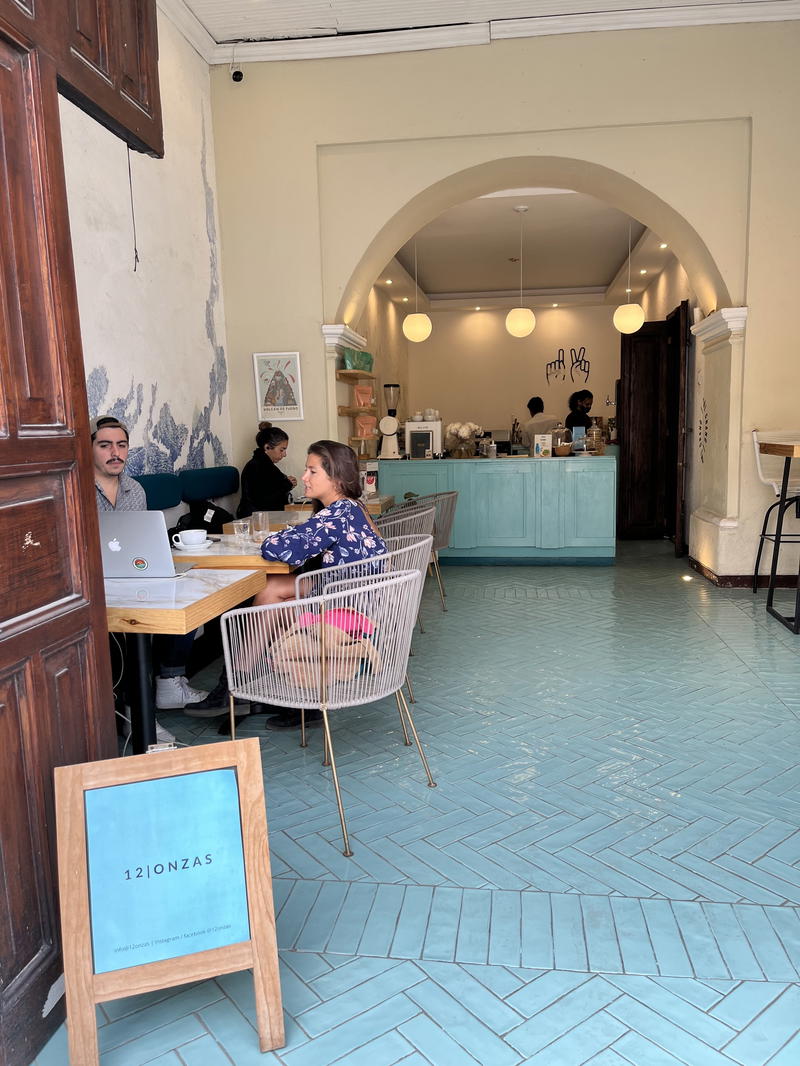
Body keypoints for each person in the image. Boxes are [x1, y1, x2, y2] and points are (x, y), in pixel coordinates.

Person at [220, 441, 387, 733]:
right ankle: (255, 688)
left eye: (312, 470)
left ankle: (238, 684)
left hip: (350, 616)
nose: (305, 477)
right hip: (360, 601)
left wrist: (277, 537)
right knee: (273, 590)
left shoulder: (338, 513)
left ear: (336, 478)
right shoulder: (351, 508)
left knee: (271, 596)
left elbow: (280, 549)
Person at [91, 415, 208, 717]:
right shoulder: (75, 491)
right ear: (88, 448)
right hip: (93, 583)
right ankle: (136, 716)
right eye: (105, 445)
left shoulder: (135, 490)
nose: (115, 453)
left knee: (185, 594)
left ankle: (170, 680)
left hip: (130, 577)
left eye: (121, 445)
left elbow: (137, 545)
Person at [237, 422, 297, 518]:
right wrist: (287, 484)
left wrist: (286, 482)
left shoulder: (263, 465)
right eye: (282, 450)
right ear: (267, 447)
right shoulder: (257, 467)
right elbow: (264, 499)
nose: (284, 454)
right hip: (257, 519)